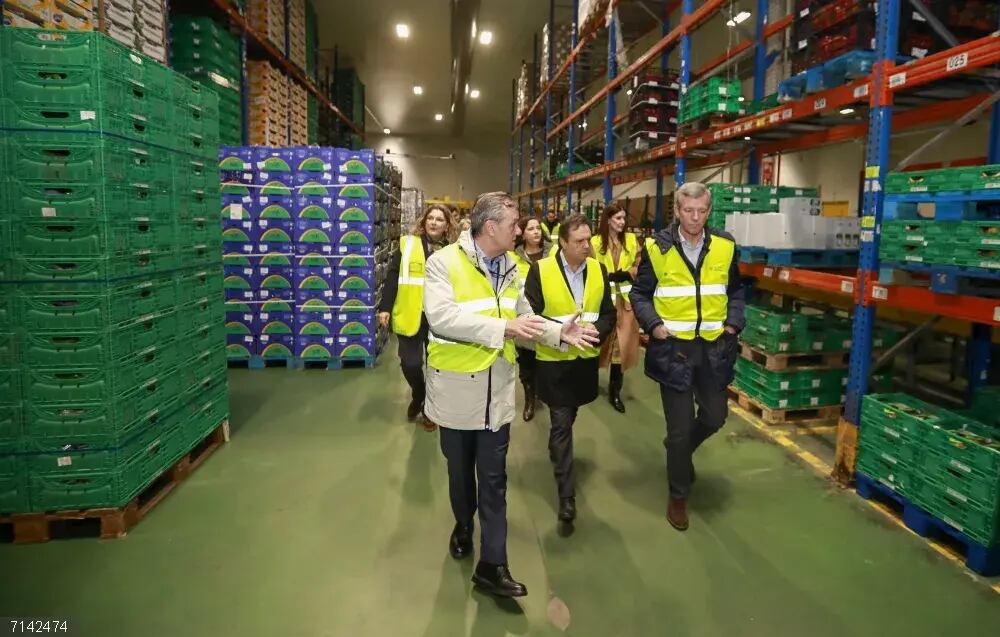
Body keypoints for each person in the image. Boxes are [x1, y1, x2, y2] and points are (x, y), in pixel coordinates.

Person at [423, 191, 599, 598]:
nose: (519, 230)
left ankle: (493, 564)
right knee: (460, 475)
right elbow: (443, 318)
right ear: (490, 228)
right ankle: (463, 524)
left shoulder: (510, 266)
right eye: (514, 224)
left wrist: (558, 332)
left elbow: (524, 316)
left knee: (494, 480)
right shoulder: (443, 263)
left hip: (497, 393)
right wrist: (503, 329)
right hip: (456, 392)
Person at [630, 181, 746, 532]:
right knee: (679, 430)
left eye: (702, 211)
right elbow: (640, 294)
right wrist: (653, 325)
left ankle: (679, 452)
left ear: (709, 212)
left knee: (715, 416)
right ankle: (678, 495)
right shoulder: (657, 248)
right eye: (688, 211)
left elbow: (736, 290)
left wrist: (733, 323)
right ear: (677, 211)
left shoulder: (725, 245)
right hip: (674, 350)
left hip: (714, 348)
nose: (695, 217)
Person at [524, 214, 616, 522]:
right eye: (579, 241)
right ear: (562, 242)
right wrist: (561, 333)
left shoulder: (598, 269)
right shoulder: (541, 270)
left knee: (568, 416)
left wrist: (595, 332)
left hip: (584, 361)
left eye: (588, 239)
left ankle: (557, 448)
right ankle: (567, 496)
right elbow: (530, 315)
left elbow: (608, 313)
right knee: (561, 422)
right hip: (553, 363)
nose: (587, 246)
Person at [378, 204, 454, 431]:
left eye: (439, 219)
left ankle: (429, 409)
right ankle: (419, 394)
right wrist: (385, 307)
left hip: (440, 318)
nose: (434, 222)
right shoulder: (407, 244)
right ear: (424, 221)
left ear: (447, 225)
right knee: (410, 363)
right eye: (430, 218)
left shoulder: (454, 251)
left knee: (437, 367)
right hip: (411, 314)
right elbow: (393, 276)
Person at [590, 203, 642, 414]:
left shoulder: (631, 240)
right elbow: (589, 266)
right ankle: (589, 382)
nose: (622, 222)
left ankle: (615, 392)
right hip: (602, 302)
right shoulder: (595, 242)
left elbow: (640, 263)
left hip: (625, 303)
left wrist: (629, 272)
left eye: (623, 218)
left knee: (621, 347)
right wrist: (606, 276)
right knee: (597, 343)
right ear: (608, 219)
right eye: (618, 218)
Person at [509, 217, 551, 422]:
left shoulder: (554, 253)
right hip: (525, 317)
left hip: (549, 314)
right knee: (526, 362)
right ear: (522, 233)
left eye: (538, 228)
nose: (536, 232)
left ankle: (544, 392)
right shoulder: (512, 257)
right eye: (531, 229)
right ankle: (529, 399)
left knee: (547, 361)